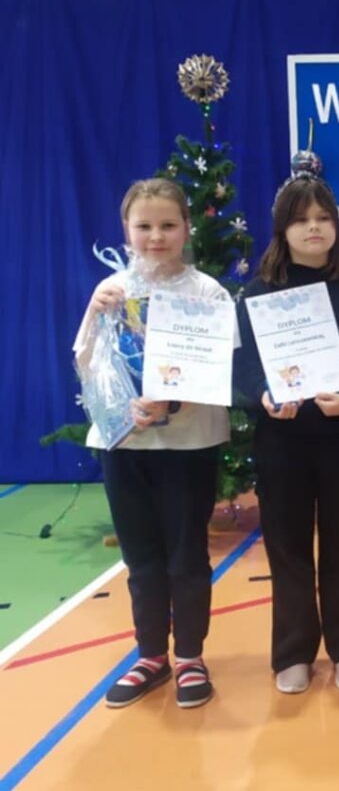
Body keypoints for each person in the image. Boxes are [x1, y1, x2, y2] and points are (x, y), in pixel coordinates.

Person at [235, 161, 339, 695]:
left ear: (336, 226)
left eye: (324, 218)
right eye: (301, 220)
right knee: (287, 548)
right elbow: (242, 366)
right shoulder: (257, 294)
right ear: (283, 229)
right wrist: (261, 394)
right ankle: (293, 651)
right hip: (280, 444)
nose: (314, 228)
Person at [74, 178, 227, 709]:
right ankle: (150, 655)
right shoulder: (111, 290)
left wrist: (171, 401)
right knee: (141, 557)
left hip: (189, 446)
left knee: (186, 555)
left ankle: (190, 657)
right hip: (123, 445)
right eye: (144, 226)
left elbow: (218, 369)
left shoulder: (207, 293)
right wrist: (96, 311)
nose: (156, 236)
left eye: (167, 225)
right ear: (126, 230)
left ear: (187, 227)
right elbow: (87, 364)